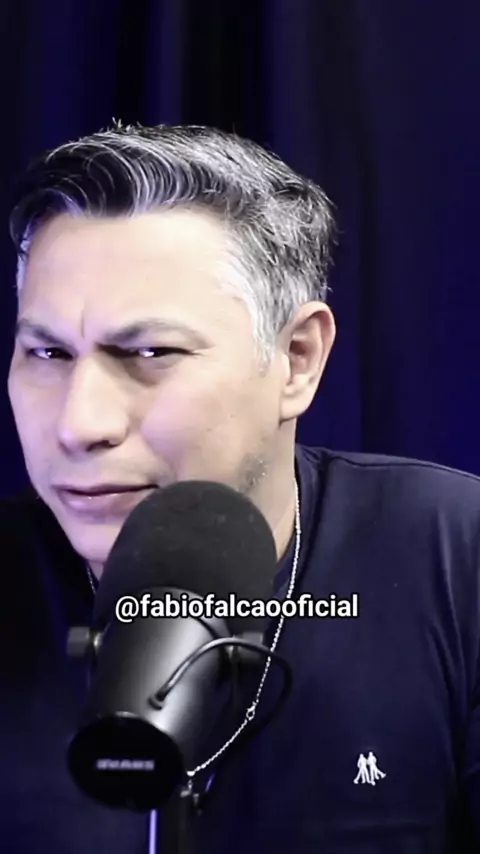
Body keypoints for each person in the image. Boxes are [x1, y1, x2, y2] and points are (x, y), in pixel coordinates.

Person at [1, 120, 479, 854]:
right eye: (48, 353)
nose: (79, 424)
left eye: (149, 352)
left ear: (296, 359)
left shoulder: (455, 554)